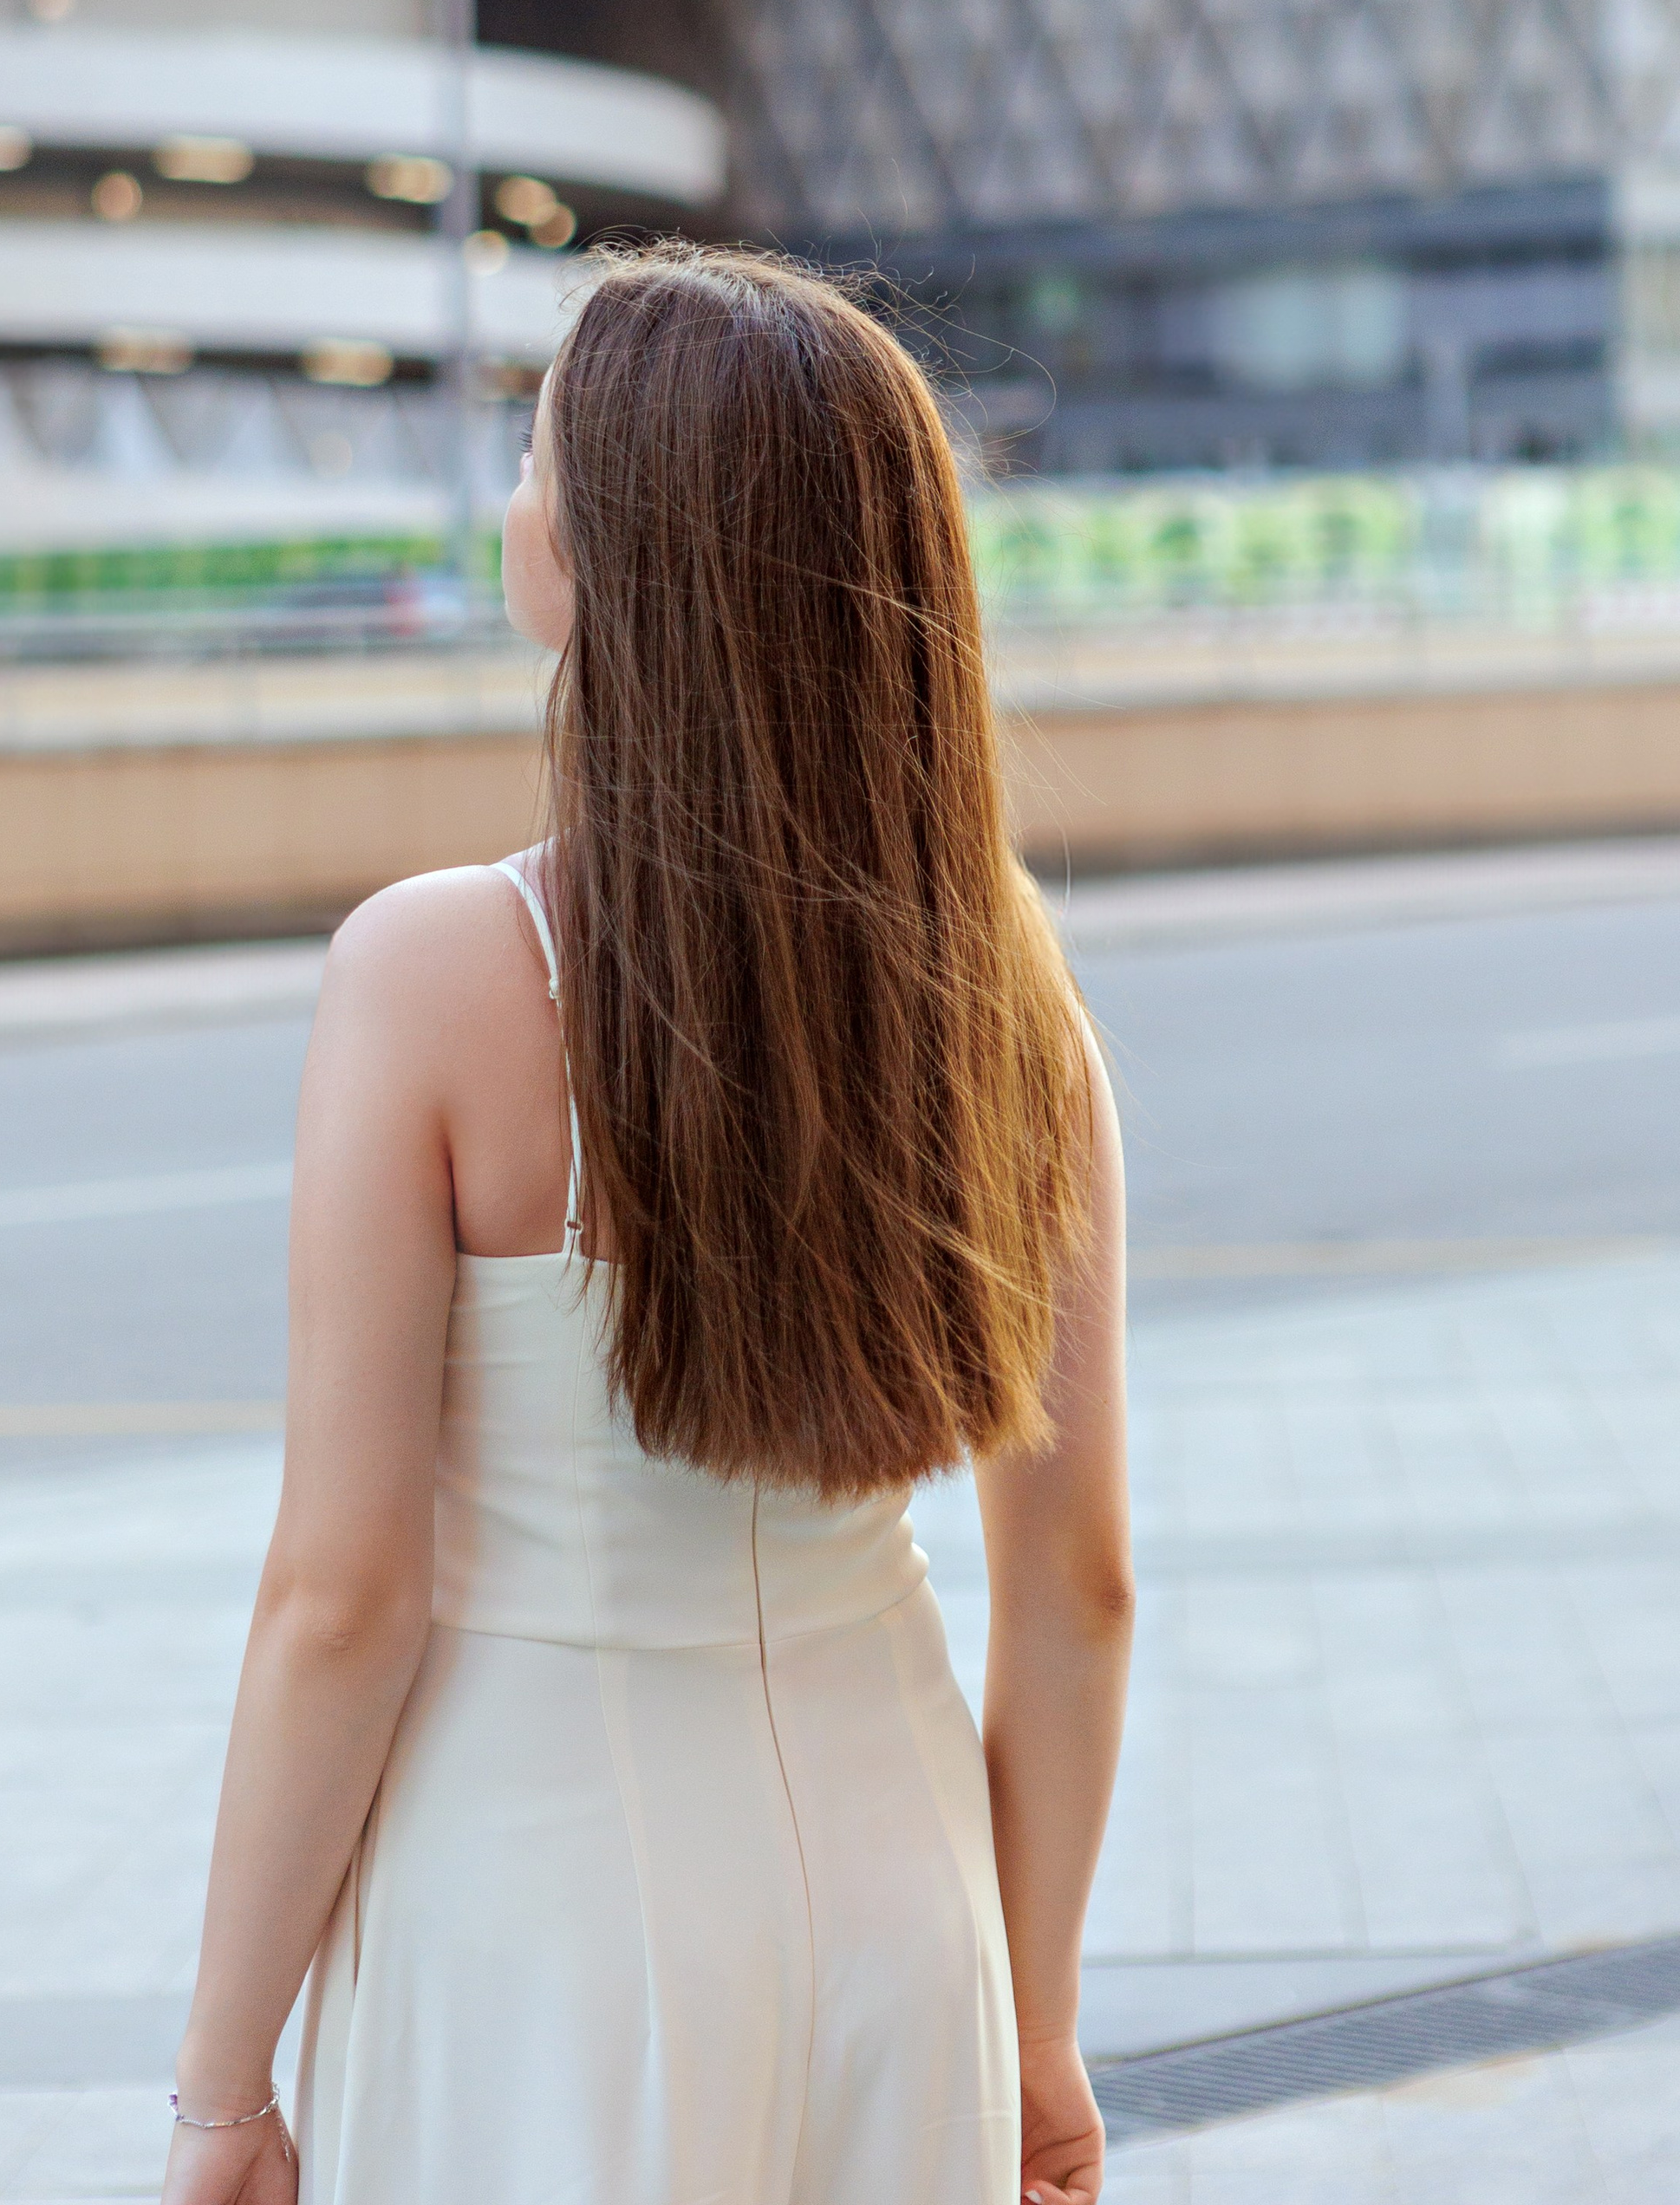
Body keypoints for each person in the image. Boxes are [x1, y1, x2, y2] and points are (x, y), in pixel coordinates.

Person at [160, 247, 1132, 2205]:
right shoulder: (1007, 997)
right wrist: (1030, 2019)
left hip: (540, 1912)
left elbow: (341, 1599)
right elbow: (1077, 1581)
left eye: (529, 461)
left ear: (607, 554)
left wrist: (218, 2082)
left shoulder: (438, 970)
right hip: (901, 1903)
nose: (510, 500)